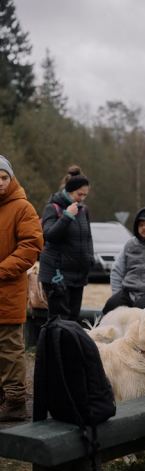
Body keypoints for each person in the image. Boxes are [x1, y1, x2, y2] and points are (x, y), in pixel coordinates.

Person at [0, 156, 43, 422]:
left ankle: (16, 401)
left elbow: (29, 248)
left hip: (8, 292)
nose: (0, 183)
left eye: (4, 177)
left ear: (11, 178)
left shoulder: (23, 208)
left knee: (9, 347)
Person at [39, 166, 94, 323]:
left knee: (73, 318)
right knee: (59, 319)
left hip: (78, 275)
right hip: (57, 275)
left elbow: (88, 237)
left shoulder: (84, 210)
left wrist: (90, 259)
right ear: (69, 191)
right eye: (79, 194)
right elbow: (49, 235)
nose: (82, 198)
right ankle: (53, 348)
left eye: (85, 195)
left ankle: (69, 348)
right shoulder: (53, 208)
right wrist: (67, 216)